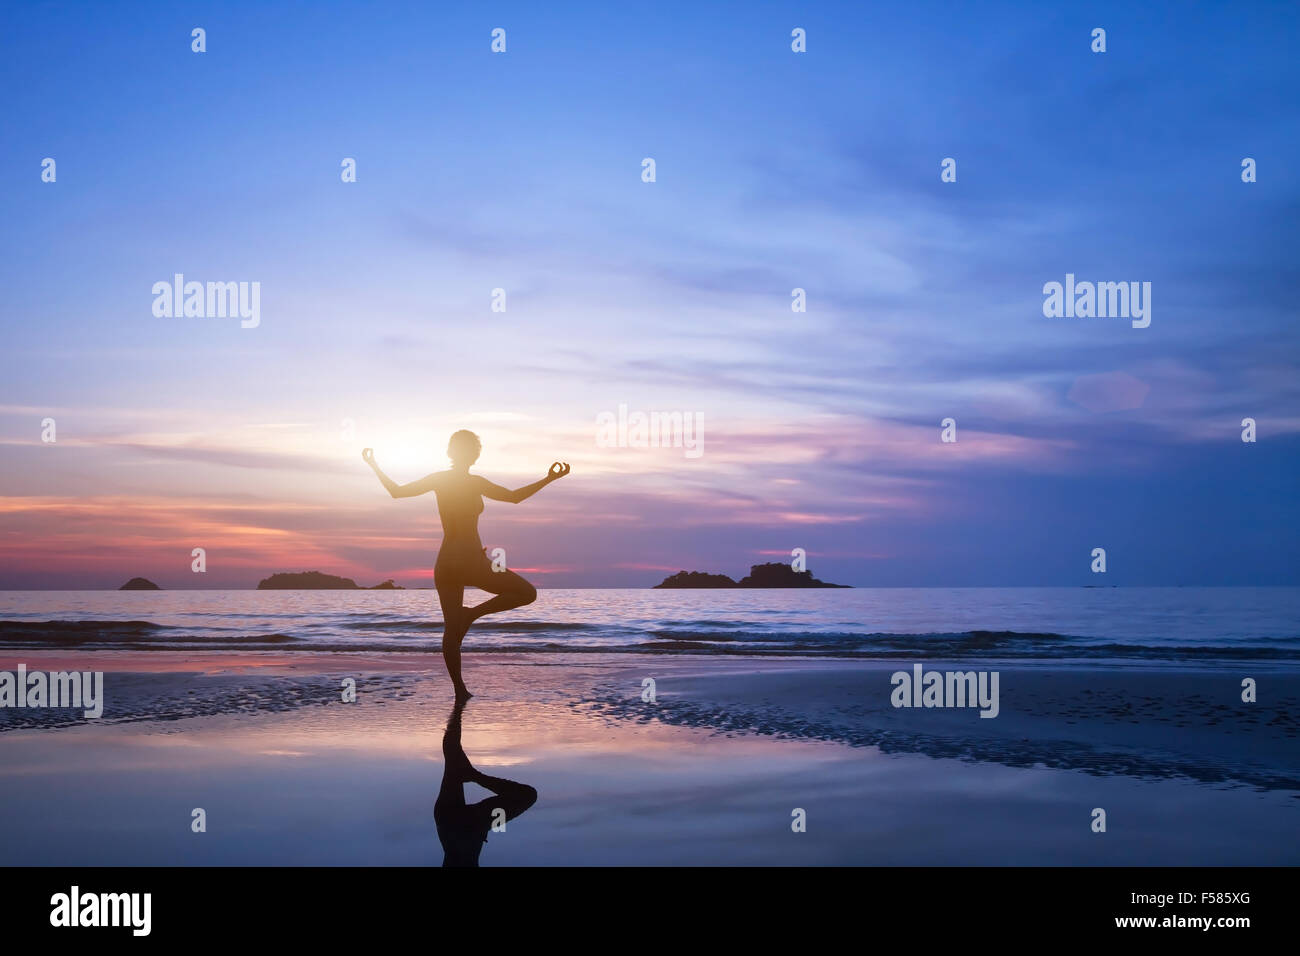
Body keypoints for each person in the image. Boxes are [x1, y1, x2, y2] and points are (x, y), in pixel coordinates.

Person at [363, 431, 569, 700]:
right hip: (471, 560)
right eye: (474, 449)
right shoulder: (474, 483)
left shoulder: (440, 479)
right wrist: (549, 479)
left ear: (451, 452)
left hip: (446, 561)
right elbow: (514, 497)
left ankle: (460, 690)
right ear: (473, 454)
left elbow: (396, 492)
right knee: (527, 593)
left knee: (451, 627)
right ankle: (471, 615)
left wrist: (374, 465)